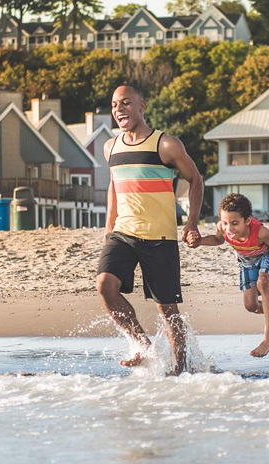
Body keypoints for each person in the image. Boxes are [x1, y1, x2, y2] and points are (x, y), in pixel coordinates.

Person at [96, 84, 203, 376]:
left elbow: (195, 179)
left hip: (160, 238)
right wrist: (109, 226)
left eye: (127, 103)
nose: (120, 109)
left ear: (142, 106)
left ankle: (180, 372)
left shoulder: (166, 144)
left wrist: (191, 221)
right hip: (122, 234)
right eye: (115, 105)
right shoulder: (111, 147)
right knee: (105, 286)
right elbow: (114, 185)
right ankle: (142, 347)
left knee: (167, 309)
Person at [187, 193, 269, 357]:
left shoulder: (261, 233)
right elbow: (218, 240)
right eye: (225, 223)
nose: (229, 229)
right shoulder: (223, 229)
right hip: (246, 262)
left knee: (264, 282)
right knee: (250, 306)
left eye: (235, 223)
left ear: (247, 220)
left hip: (266, 256)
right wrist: (199, 241)